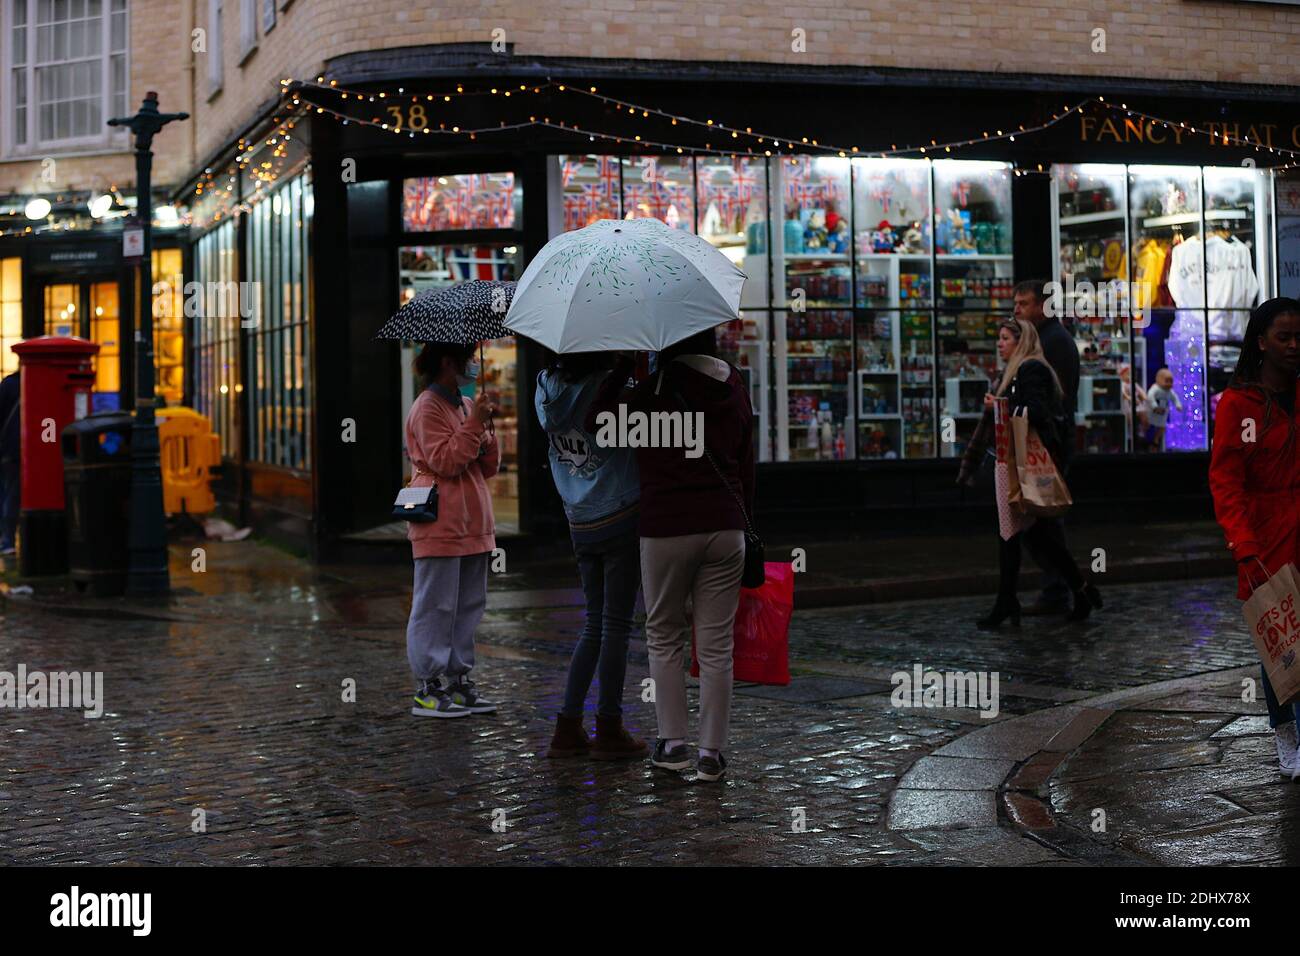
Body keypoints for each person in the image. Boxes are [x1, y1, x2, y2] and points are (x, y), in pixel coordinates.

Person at [587, 327, 755, 782]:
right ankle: (711, 754)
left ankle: (673, 744)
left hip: (666, 526)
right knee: (717, 644)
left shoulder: (653, 391)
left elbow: (597, 424)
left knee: (664, 634)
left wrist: (623, 362)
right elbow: (746, 462)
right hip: (725, 526)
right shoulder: (734, 386)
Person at [535, 351, 646, 760]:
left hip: (579, 518)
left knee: (594, 624)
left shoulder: (545, 388)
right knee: (616, 625)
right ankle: (609, 725)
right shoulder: (609, 388)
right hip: (619, 512)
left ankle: (567, 724)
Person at [1208, 297, 1300, 779]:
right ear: (1261, 342)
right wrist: (1242, 545)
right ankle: (1287, 736)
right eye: (1283, 336)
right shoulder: (1240, 405)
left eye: (1299, 337)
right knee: (1281, 639)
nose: (1293, 345)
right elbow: (1227, 480)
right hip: (1266, 539)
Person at [958, 318, 1101, 626]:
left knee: (1024, 535)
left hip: (1023, 464)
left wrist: (1000, 406)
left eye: (1006, 338)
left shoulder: (1030, 368)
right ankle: (1074, 590)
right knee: (1029, 535)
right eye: (999, 337)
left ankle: (1014, 600)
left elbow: (1035, 410)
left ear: (1020, 342)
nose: (1000, 343)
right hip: (1011, 461)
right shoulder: (1015, 371)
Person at [403, 342, 500, 719]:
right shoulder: (427, 407)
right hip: (441, 522)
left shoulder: (461, 403)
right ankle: (428, 686)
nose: (473, 365)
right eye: (468, 359)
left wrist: (484, 431)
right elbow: (446, 461)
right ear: (448, 362)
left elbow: (486, 465)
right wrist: (475, 427)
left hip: (473, 524)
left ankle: (459, 681)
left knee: (468, 605)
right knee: (436, 604)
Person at [1013, 280, 1081, 616]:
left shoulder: (1054, 343)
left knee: (1044, 521)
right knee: (1040, 521)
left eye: (1023, 304)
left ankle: (1064, 589)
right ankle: (1064, 588)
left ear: (1042, 306)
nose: (1017, 311)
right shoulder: (1047, 339)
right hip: (1047, 443)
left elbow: (1052, 401)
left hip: (1049, 446)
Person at [0, 370, 19, 556]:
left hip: (9, 449)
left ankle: (7, 540)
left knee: (8, 494)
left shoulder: (9, 384)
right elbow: (50, 422)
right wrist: (50, 440)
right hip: (32, 449)